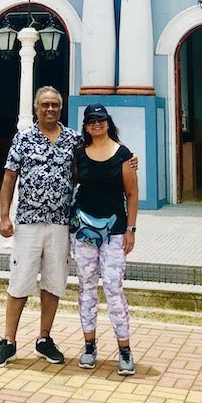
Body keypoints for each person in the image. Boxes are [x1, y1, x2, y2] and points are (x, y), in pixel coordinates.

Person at [0, 86, 137, 369]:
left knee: (54, 283)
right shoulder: (23, 139)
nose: (50, 109)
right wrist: (4, 216)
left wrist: (130, 160)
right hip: (29, 222)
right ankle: (8, 341)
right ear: (36, 108)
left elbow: (101, 154)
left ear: (61, 108)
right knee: (20, 281)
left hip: (61, 224)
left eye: (55, 105)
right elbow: (9, 178)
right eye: (45, 105)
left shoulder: (73, 140)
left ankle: (44, 338)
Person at [71, 103, 138, 376]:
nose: (96, 124)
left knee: (113, 286)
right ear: (85, 126)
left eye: (101, 119)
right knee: (86, 287)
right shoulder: (79, 154)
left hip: (114, 232)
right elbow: (72, 184)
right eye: (91, 120)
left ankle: (124, 348)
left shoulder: (123, 155)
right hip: (85, 232)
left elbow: (132, 194)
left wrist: (131, 229)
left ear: (108, 122)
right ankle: (89, 345)